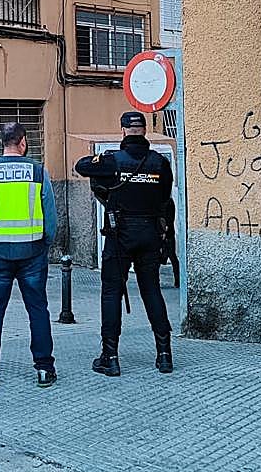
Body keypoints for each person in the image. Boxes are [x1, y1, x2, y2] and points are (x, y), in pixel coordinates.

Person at [75, 111, 174, 376]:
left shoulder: (112, 161)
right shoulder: (160, 163)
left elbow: (82, 166)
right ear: (144, 131)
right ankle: (164, 355)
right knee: (152, 291)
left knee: (111, 293)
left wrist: (104, 163)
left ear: (123, 131)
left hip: (121, 234)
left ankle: (110, 356)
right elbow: (165, 198)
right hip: (150, 233)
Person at [0, 121, 57, 389]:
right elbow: (51, 217)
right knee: (38, 310)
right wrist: (45, 243)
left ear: (2, 142)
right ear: (23, 142)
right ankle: (44, 369)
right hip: (32, 253)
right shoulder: (38, 172)